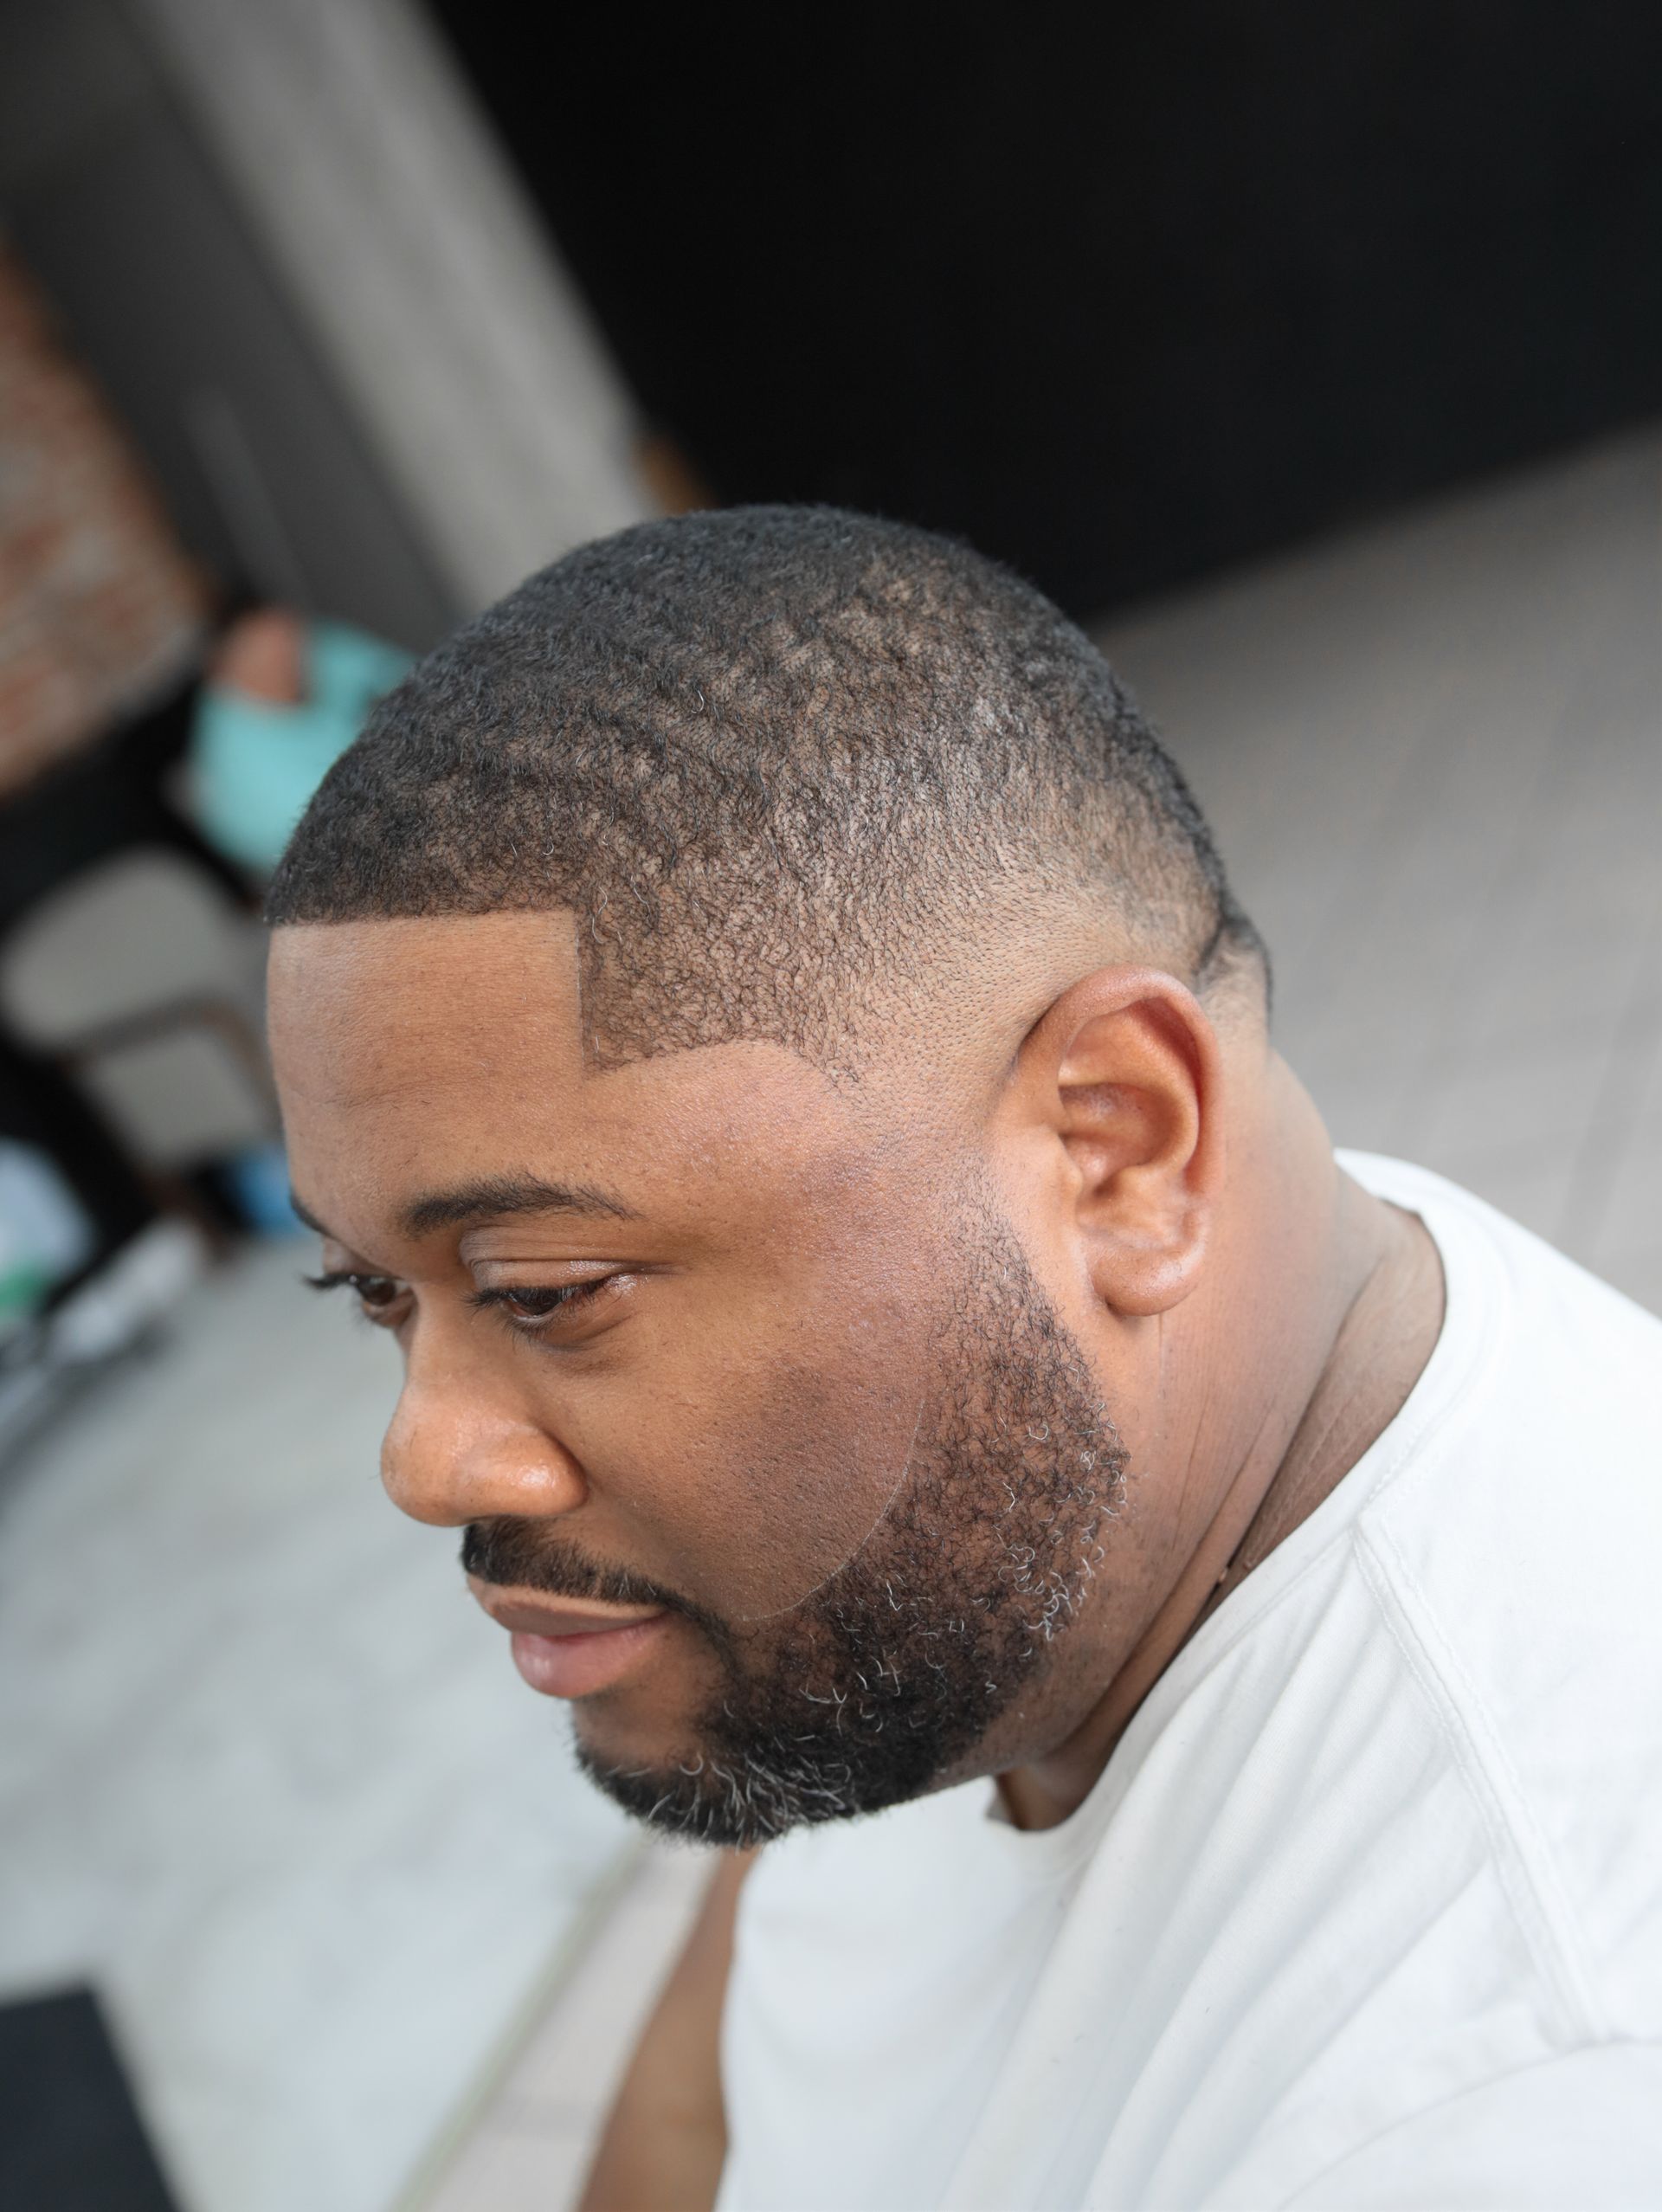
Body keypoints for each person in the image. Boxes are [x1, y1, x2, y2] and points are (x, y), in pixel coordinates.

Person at [263, 509, 1662, 2211]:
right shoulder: (962, 1576)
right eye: (377, 1297)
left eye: (547, 1289)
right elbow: (730, 2073)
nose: (423, 1463)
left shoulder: (1519, 2093)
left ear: (1119, 1150)